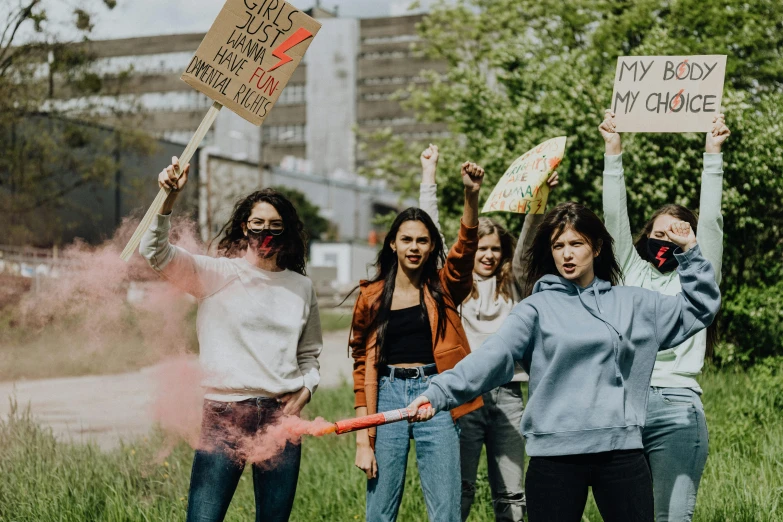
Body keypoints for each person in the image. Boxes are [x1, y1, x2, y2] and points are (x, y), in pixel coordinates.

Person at [406, 201, 721, 522]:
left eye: (576, 243)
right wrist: (438, 393)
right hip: (554, 457)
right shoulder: (535, 309)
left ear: (597, 247)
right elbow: (491, 357)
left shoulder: (633, 303)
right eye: (559, 245)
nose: (567, 254)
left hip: (620, 453)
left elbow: (700, 307)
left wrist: (690, 251)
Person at [139, 157, 322, 522]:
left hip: (279, 418)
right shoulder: (216, 274)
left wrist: (308, 387)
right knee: (203, 518)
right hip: (224, 416)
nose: (265, 234)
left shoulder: (301, 287)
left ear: (286, 231)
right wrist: (168, 198)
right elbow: (155, 253)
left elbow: (310, 354)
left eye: (275, 226)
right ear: (244, 227)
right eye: (257, 224)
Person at [599, 110, 730, 522]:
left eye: (677, 233)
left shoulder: (698, 278)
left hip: (678, 409)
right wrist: (613, 152)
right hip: (624, 408)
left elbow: (711, 221)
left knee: (671, 517)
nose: (666, 240)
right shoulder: (630, 273)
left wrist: (713, 154)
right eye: (659, 233)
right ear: (645, 239)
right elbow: (614, 220)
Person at [418, 144, 558, 522]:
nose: (489, 255)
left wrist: (539, 197)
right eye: (482, 247)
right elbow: (432, 232)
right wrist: (428, 174)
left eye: (495, 249)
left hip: (509, 394)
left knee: (512, 492)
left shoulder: (516, 284)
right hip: (465, 393)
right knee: (460, 488)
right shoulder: (453, 285)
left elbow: (530, 240)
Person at [350, 160, 486, 522]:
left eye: (422, 240)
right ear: (392, 243)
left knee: (446, 512)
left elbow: (464, 252)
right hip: (388, 396)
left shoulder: (443, 288)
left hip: (436, 395)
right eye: (406, 239)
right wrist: (364, 440)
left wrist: (471, 196)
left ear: (430, 246)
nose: (414, 247)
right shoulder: (371, 296)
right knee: (379, 512)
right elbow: (361, 368)